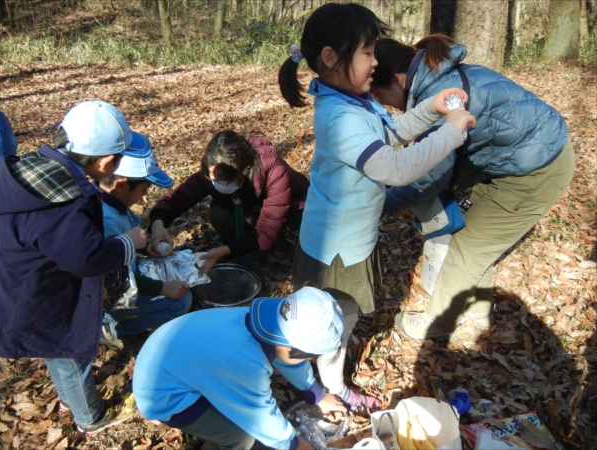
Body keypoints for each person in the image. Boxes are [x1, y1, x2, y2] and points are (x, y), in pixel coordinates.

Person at [277, 3, 476, 412]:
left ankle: (312, 372)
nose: (376, 61)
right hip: (337, 249)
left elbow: (393, 132)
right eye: (367, 52)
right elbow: (395, 167)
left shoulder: (356, 102)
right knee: (335, 324)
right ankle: (325, 384)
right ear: (331, 58)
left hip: (350, 239)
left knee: (335, 319)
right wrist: (451, 133)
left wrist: (431, 109)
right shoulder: (338, 117)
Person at [370, 35, 575, 340]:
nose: (387, 105)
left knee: (466, 248)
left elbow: (430, 178)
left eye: (382, 96)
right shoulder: (440, 74)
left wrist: (380, 204)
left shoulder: (442, 96)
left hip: (535, 171)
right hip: (520, 157)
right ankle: (477, 312)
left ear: (399, 80)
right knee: (474, 234)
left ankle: (439, 324)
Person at [0, 100, 151, 436]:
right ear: (108, 162)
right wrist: (128, 243)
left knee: (55, 355)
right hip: (42, 297)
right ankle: (90, 416)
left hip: (18, 283)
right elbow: (86, 257)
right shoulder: (64, 203)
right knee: (69, 355)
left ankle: (69, 398)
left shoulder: (28, 170)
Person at [133, 286, 347, 450]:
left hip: (169, 359)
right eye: (308, 356)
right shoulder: (245, 364)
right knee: (242, 437)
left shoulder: (270, 322)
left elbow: (290, 357)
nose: (305, 361)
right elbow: (258, 415)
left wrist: (316, 395)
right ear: (288, 345)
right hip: (165, 395)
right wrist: (293, 444)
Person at [148, 130, 310, 273]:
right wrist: (158, 225)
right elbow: (178, 197)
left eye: (223, 180)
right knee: (219, 214)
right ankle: (245, 247)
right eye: (211, 177)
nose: (215, 182)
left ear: (245, 169)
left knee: (297, 223)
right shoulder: (216, 167)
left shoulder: (275, 172)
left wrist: (227, 251)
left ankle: (258, 245)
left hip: (294, 207)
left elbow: (267, 230)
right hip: (251, 206)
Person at [98, 148, 192, 348]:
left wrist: (145, 247)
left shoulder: (112, 202)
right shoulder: (107, 220)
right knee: (181, 302)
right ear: (122, 185)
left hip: (126, 274)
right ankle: (114, 328)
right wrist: (162, 288)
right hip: (111, 293)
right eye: (144, 189)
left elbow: (124, 249)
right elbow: (116, 279)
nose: (144, 197)